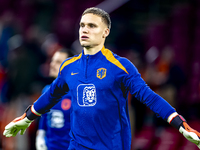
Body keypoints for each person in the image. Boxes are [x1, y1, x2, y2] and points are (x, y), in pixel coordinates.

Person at [3, 7, 200, 150]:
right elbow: (51, 96)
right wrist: (26, 118)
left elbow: (150, 97)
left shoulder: (120, 66)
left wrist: (179, 124)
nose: (84, 30)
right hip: (77, 146)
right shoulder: (69, 67)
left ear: (106, 32)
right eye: (82, 25)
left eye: (91, 26)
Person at [36, 48, 73, 150]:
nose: (52, 64)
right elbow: (44, 117)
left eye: (58, 62)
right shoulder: (46, 91)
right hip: (50, 146)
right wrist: (40, 137)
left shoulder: (77, 94)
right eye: (52, 61)